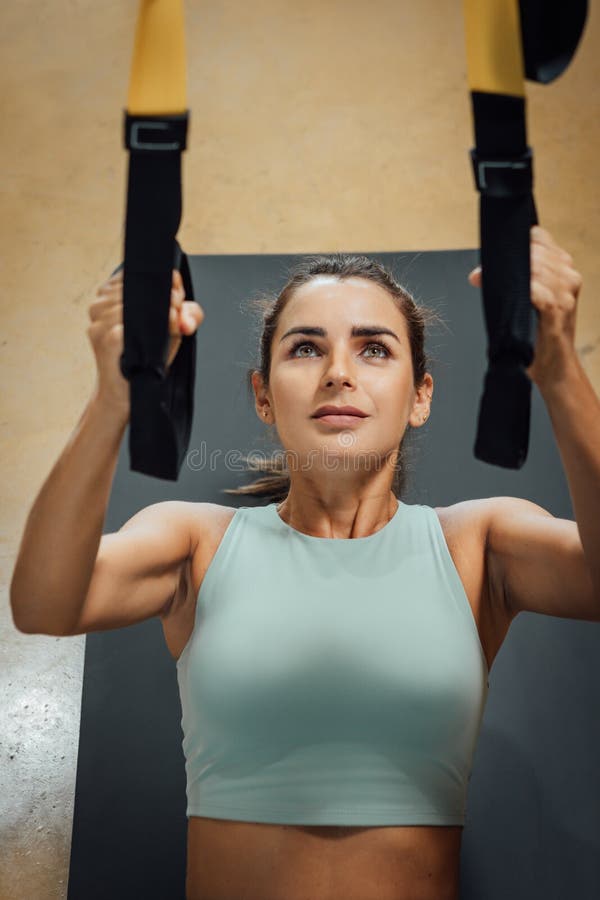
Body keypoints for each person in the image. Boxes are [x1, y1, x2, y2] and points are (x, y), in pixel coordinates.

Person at [10, 225, 599, 900]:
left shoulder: (477, 545)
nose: (338, 372)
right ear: (263, 395)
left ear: (420, 397)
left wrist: (560, 373)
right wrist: (116, 395)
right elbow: (43, 605)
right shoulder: (198, 542)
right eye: (306, 347)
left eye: (374, 348)